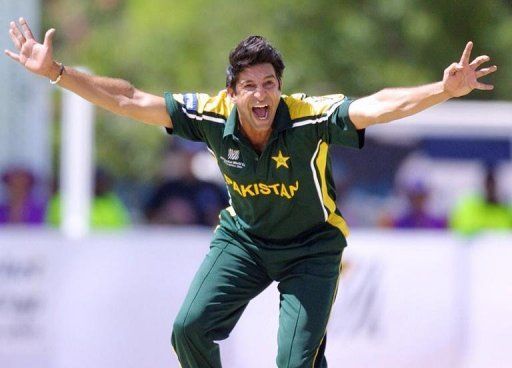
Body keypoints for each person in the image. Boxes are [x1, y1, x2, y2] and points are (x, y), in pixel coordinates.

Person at [5, 17, 497, 368]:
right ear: (233, 90)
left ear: (280, 87)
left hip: (312, 248)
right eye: (250, 86)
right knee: (188, 330)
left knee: (292, 361)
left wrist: (442, 90)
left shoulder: (306, 115)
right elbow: (131, 99)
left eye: (269, 84)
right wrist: (58, 73)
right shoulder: (212, 114)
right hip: (245, 241)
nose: (261, 95)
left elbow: (378, 106)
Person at [450, 166, 512, 235]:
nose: (491, 188)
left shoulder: (508, 211)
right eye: (488, 183)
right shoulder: (467, 207)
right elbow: (455, 231)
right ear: (482, 184)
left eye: (493, 184)